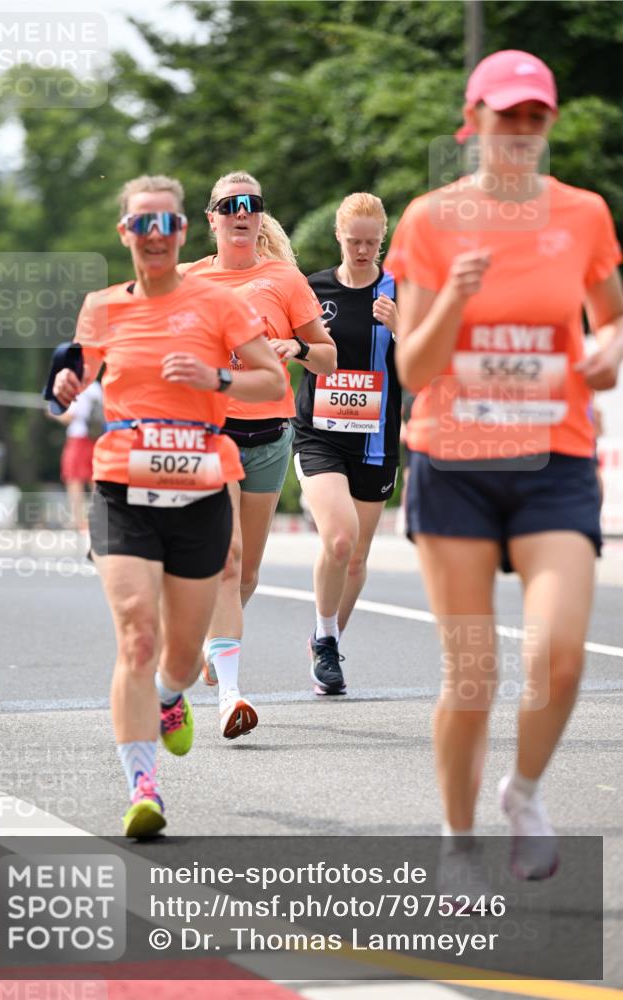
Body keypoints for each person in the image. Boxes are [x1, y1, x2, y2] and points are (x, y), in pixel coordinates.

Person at [386, 50, 623, 880]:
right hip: (453, 460)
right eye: (504, 114)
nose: (520, 130)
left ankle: (522, 792)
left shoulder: (584, 214)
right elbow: (413, 371)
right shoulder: (428, 219)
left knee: (559, 655)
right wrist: (452, 296)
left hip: (552, 457)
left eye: (534, 116)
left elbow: (610, 321)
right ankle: (457, 842)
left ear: (547, 124)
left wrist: (606, 351)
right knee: (472, 673)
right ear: (473, 120)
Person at [51, 174, 285, 837]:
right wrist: (65, 389)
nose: (154, 237)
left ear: (182, 233)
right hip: (124, 487)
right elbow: (74, 378)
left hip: (200, 492)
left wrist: (217, 377)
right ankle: (142, 788)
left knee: (180, 657)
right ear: (126, 234)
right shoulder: (102, 307)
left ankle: (170, 697)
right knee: (135, 632)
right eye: (141, 225)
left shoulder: (217, 304)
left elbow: (270, 376)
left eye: (166, 225)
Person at [179, 171, 336, 738]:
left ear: (259, 216)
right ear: (213, 218)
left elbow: (328, 357)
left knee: (245, 575)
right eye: (230, 205)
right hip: (210, 431)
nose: (242, 212)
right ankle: (232, 696)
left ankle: (210, 642)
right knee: (226, 558)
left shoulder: (285, 278)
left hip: (270, 434)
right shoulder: (189, 278)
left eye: (252, 205)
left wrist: (295, 345)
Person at [291, 193, 401, 694]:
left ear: (383, 240)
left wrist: (403, 326)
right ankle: (328, 642)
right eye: (354, 241)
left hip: (376, 440)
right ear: (339, 235)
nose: (362, 251)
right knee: (338, 537)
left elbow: (428, 357)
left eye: (372, 243)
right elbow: (283, 346)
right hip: (319, 434)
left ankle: (325, 639)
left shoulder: (400, 291)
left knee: (356, 557)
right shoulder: (312, 289)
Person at [48, 380, 102, 529]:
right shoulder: (96, 387)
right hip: (96, 438)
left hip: (78, 438)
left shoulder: (76, 387)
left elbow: (70, 416)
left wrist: (52, 412)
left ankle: (77, 520)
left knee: (74, 479)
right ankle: (97, 519)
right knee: (95, 480)